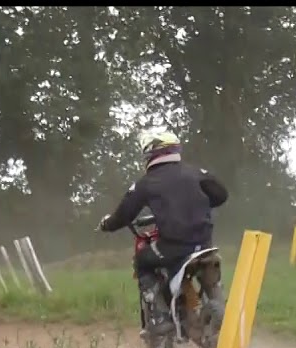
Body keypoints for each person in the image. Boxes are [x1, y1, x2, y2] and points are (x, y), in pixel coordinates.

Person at [97, 129, 229, 336]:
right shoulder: (197, 172)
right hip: (205, 244)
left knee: (142, 260)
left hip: (173, 247)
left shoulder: (146, 183)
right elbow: (221, 195)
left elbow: (123, 216)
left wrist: (106, 224)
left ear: (149, 154)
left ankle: (160, 315)